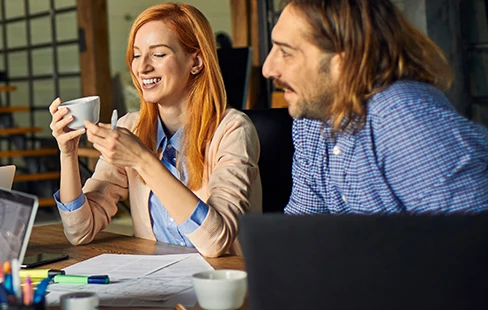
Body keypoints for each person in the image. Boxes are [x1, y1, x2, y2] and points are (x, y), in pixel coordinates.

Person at [49, 3, 261, 259]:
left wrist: (143, 160)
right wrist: (68, 153)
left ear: (196, 61)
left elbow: (216, 241)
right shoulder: (131, 128)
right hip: (159, 281)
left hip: (223, 284)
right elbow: (79, 231)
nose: (142, 68)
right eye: (137, 55)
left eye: (158, 54)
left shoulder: (233, 130)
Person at [261, 0, 488, 213]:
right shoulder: (310, 124)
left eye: (286, 52)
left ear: (344, 62)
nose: (267, 69)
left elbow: (473, 243)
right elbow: (302, 233)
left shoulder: (402, 121)